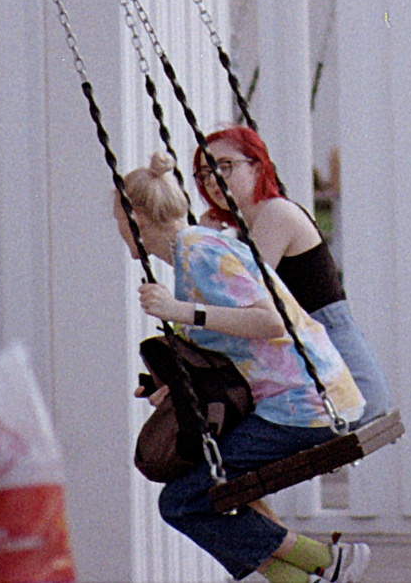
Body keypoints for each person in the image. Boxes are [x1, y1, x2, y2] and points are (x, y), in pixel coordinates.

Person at [116, 152, 368, 583]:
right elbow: (232, 350)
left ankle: (320, 559)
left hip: (305, 404)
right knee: (198, 492)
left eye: (118, 218)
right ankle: (313, 570)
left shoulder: (199, 255)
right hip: (297, 400)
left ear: (135, 219)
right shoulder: (194, 253)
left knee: (183, 500)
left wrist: (182, 311)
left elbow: (269, 321)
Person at [193, 126, 393, 421]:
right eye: (204, 173)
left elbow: (238, 295)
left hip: (342, 372)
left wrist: (204, 243)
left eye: (224, 166)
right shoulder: (247, 228)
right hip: (314, 367)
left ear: (257, 166)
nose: (213, 180)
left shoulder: (276, 214)